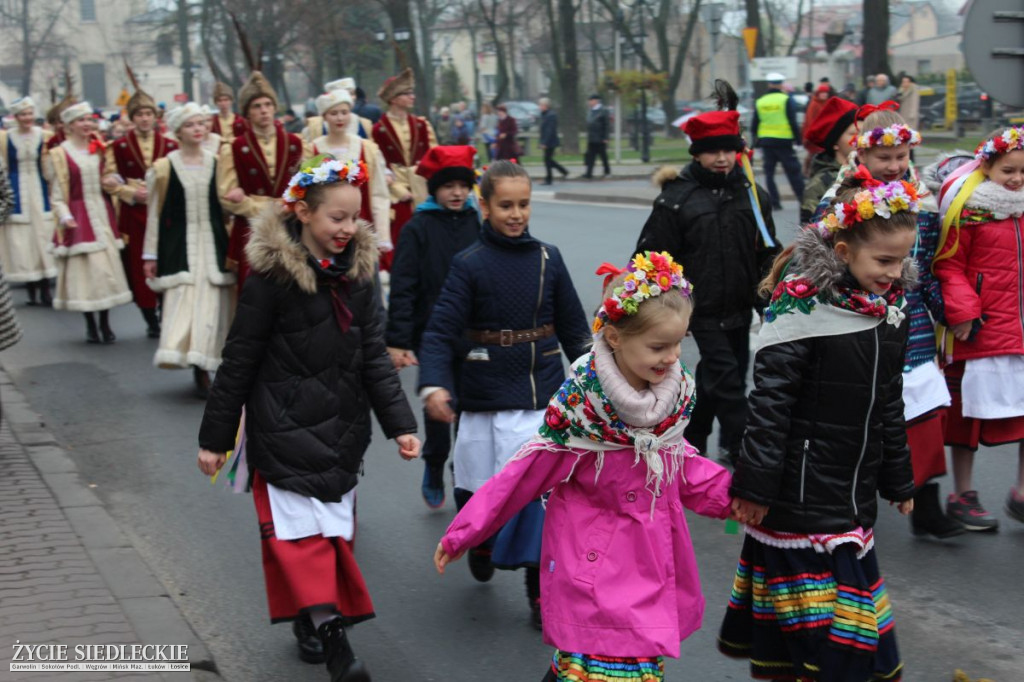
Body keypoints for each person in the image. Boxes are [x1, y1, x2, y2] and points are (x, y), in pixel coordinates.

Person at [434, 250, 734, 680]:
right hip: (594, 570)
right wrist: (465, 532)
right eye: (658, 346)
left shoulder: (674, 398)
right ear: (614, 338)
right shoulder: (580, 410)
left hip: (652, 563)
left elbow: (682, 466)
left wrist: (738, 498)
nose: (672, 358)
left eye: (678, 343)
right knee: (597, 667)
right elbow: (521, 477)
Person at [197, 155, 421, 682]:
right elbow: (239, 361)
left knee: (333, 537)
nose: (347, 229)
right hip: (281, 427)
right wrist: (216, 438)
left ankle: (311, 618)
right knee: (301, 542)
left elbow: (373, 359)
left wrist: (402, 426)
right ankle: (335, 641)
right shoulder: (270, 280)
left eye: (353, 218)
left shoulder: (360, 278)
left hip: (342, 430)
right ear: (302, 212)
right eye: (335, 218)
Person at [718, 175, 920, 682]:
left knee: (843, 644)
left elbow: (888, 404)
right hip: (797, 503)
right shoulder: (801, 310)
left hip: (850, 502)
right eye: (883, 262)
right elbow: (770, 407)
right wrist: (757, 486)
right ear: (846, 250)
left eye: (901, 262)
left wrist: (898, 478)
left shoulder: (889, 313)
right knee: (822, 645)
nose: (894, 274)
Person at [419, 161, 590, 628]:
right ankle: (482, 538)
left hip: (542, 401)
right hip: (486, 399)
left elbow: (577, 332)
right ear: (485, 205)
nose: (516, 214)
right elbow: (439, 333)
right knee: (478, 486)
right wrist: (435, 384)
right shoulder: (469, 264)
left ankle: (539, 590)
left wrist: (602, 379)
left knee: (545, 498)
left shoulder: (548, 259)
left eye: (523, 204)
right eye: (506, 205)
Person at [813, 107, 959, 538]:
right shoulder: (840, 199)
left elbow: (930, 266)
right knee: (858, 417)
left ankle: (926, 505)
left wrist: (950, 310)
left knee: (924, 415)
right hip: (856, 321)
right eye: (884, 157)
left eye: (900, 155)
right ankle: (847, 503)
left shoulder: (924, 202)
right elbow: (821, 258)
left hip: (911, 328)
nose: (894, 165)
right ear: (864, 154)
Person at [636, 109, 779, 465]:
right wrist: (661, 308)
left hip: (740, 306)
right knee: (728, 382)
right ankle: (749, 454)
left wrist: (770, 301)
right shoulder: (676, 199)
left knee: (717, 378)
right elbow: (651, 256)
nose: (722, 158)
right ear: (696, 153)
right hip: (696, 309)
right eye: (713, 150)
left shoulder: (754, 195)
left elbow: (766, 253)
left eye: (729, 149)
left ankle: (693, 441)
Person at [932, 125, 1024, 530]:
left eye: (1023, 171)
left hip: (1020, 329)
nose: (1017, 179)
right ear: (986, 165)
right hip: (981, 329)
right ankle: (962, 494)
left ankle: (1022, 493)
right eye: (1009, 170)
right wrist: (964, 310)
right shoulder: (968, 209)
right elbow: (948, 265)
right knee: (967, 419)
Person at [385, 145, 481, 509]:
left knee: (471, 409)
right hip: (434, 335)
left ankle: (463, 471)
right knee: (439, 408)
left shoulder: (479, 221)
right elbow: (404, 284)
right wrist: (398, 340)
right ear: (434, 189)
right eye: (448, 186)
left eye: (463, 185)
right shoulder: (418, 227)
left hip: (476, 333)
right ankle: (434, 462)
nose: (457, 193)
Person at [142, 103, 236, 397]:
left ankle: (212, 363)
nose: (198, 129)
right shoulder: (163, 167)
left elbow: (225, 207)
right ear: (177, 132)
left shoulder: (217, 162)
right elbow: (155, 214)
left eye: (201, 123)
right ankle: (199, 368)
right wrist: (150, 255)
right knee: (187, 302)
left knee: (215, 303)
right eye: (191, 125)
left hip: (213, 241)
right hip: (179, 245)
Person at [45, 102, 133, 343]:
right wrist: (65, 216)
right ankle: (90, 324)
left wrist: (114, 180)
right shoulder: (59, 154)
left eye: (90, 119)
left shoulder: (101, 149)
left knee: (105, 271)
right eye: (81, 120)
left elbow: (108, 179)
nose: (87, 124)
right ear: (69, 126)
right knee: (86, 272)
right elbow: (56, 194)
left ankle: (105, 321)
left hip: (102, 212)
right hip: (78, 213)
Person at [218, 70, 311, 292]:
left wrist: (288, 206)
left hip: (291, 227)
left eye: (268, 104)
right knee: (255, 290)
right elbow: (227, 198)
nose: (264, 110)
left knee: (294, 288)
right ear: (247, 113)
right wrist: (269, 208)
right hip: (252, 230)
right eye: (257, 106)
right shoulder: (232, 148)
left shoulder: (297, 143)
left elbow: (310, 186)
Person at [103, 70, 179, 338]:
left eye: (148, 114)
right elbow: (108, 180)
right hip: (135, 214)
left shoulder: (171, 144)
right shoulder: (119, 147)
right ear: (132, 118)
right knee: (138, 264)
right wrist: (130, 193)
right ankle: (149, 315)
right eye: (139, 115)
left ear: (155, 117)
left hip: (165, 210)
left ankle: (165, 308)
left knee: (169, 258)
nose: (144, 119)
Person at [310, 89, 391, 254]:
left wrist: (382, 235)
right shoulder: (312, 149)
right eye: (333, 113)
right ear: (324, 116)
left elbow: (379, 194)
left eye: (344, 112)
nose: (340, 118)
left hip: (362, 227)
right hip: (326, 233)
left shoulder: (367, 149)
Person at [371, 68, 436, 272]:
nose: (412, 97)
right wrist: (398, 189)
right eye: (407, 93)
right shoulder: (378, 129)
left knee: (428, 239)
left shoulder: (421, 124)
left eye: (411, 92)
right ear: (394, 99)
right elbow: (378, 165)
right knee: (401, 239)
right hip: (395, 193)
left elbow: (434, 156)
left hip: (423, 189)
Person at [0, 97, 58, 306]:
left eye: (30, 114)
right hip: (16, 190)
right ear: (15, 117)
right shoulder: (5, 139)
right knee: (23, 240)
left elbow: (53, 163)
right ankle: (31, 287)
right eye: (23, 115)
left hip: (40, 188)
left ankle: (45, 287)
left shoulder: (45, 136)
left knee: (43, 235)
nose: (27, 118)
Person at [800, 96, 858, 222]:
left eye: (864, 132)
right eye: (853, 134)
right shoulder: (821, 182)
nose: (861, 139)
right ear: (835, 143)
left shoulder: (872, 172)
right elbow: (809, 232)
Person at [752, 73, 804, 209]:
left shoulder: (760, 101)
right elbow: (793, 121)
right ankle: (802, 198)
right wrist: (798, 140)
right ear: (781, 84)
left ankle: (775, 202)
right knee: (793, 172)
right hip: (784, 141)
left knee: (769, 174)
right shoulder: (786, 99)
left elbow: (754, 124)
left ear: (769, 84)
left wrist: (755, 143)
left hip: (766, 142)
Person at [303, 78, 376, 142]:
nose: (351, 98)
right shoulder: (315, 127)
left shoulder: (365, 125)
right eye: (344, 94)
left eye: (352, 93)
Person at [800, 83, 833, 177]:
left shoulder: (826, 103)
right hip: (815, 133)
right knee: (813, 153)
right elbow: (810, 120)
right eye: (822, 93)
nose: (824, 95)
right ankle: (808, 171)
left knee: (817, 152)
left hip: (823, 132)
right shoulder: (814, 104)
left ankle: (812, 170)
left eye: (826, 93)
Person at [538, 97, 569, 185]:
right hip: (547, 141)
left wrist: (545, 143)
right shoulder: (544, 114)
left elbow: (550, 130)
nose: (539, 107)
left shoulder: (551, 115)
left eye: (540, 105)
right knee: (548, 160)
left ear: (545, 105)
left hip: (550, 142)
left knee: (547, 160)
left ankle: (549, 179)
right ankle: (563, 171)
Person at [209, 82, 247, 147]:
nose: (223, 103)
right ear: (216, 102)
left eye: (226, 100)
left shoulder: (240, 119)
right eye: (220, 100)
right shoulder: (212, 121)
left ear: (231, 101)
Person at [583, 94, 610, 179]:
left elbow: (606, 125)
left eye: (591, 100)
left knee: (603, 156)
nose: (589, 102)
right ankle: (589, 173)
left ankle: (607, 171)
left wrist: (605, 137)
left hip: (600, 138)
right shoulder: (591, 111)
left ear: (595, 101)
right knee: (590, 156)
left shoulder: (603, 110)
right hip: (592, 137)